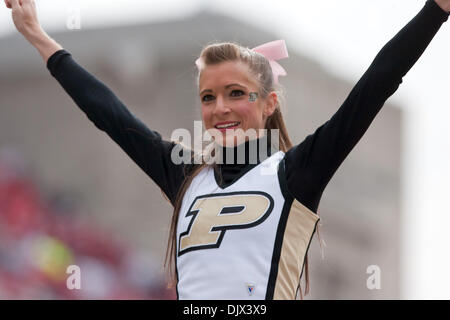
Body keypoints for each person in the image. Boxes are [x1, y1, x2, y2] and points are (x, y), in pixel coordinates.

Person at [4, 0, 450, 300]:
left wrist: (435, 11)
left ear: (269, 102)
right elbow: (109, 113)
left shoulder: (295, 174)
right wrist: (40, 37)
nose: (220, 109)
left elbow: (374, 86)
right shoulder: (185, 176)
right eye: (208, 97)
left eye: (236, 93)